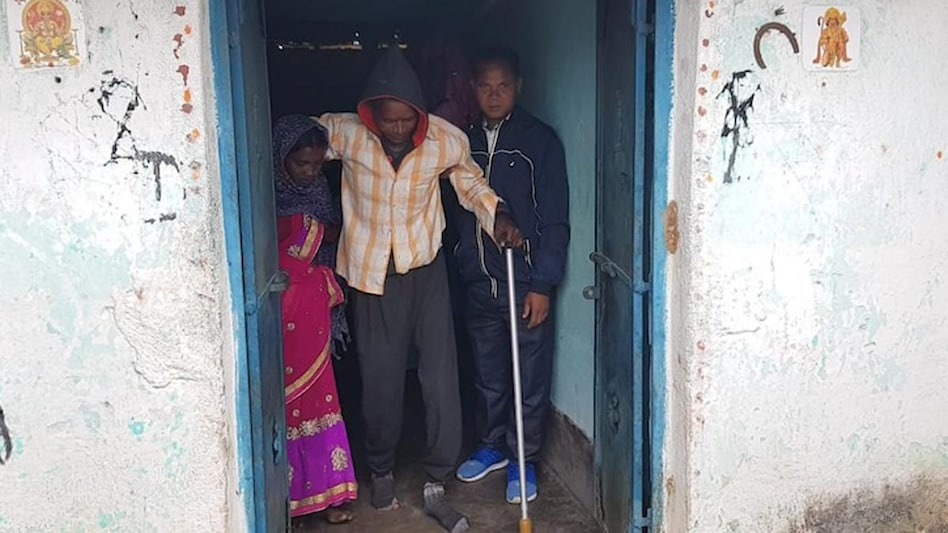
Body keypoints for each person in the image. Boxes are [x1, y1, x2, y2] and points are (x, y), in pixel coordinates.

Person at [314, 47, 523, 533]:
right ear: (372, 114)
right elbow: (293, 141)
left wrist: (499, 216)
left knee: (440, 378)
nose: (398, 129)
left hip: (425, 272)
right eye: (389, 120)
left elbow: (470, 183)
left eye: (408, 119)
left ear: (420, 114)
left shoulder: (443, 141)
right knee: (381, 379)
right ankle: (381, 470)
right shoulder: (346, 133)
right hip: (371, 275)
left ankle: (436, 477)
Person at [452, 46, 570, 505]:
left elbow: (555, 219)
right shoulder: (460, 143)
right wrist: (462, 262)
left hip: (524, 282)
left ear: (518, 87)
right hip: (479, 279)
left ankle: (524, 460)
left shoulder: (540, 141)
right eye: (485, 86)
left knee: (529, 376)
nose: (494, 94)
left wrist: (544, 283)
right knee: (487, 374)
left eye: (503, 86)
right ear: (472, 88)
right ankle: (492, 446)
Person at [272, 115, 358, 526]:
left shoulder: (321, 191)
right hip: (282, 312)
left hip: (313, 310)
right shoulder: (266, 199)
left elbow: (329, 241)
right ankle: (292, 500)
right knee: (286, 404)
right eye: (300, 165)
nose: (309, 173)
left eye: (315, 165)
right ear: (280, 160)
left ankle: (329, 492)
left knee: (322, 400)